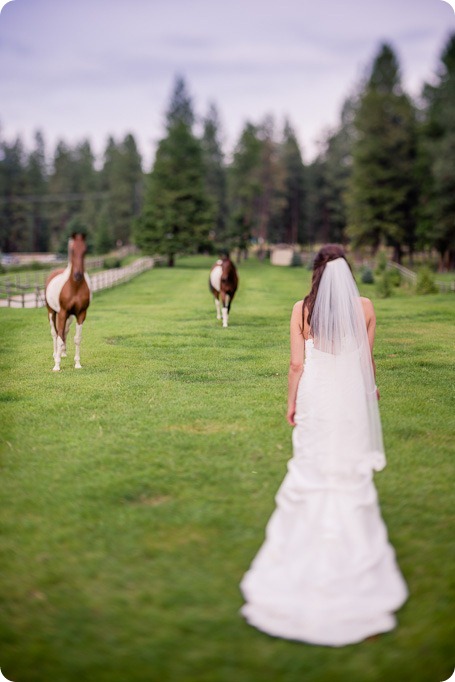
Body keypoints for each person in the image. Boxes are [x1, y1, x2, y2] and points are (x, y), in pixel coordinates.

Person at [240, 244, 408, 647]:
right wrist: (371, 390)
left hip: (317, 397)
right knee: (347, 470)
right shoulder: (365, 307)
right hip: (349, 398)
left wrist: (291, 402)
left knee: (312, 468)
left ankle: (303, 556)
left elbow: (297, 365)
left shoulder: (302, 309)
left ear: (316, 271)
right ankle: (352, 555)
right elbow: (365, 362)